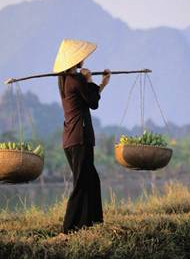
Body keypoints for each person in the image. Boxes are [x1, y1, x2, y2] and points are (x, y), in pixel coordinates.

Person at [53, 39, 111, 234]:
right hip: (80, 139)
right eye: (82, 56)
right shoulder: (76, 80)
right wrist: (89, 79)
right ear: (74, 60)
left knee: (91, 180)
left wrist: (101, 83)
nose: (84, 59)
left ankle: (90, 224)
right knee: (81, 184)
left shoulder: (65, 81)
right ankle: (68, 228)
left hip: (71, 140)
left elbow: (89, 99)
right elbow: (93, 102)